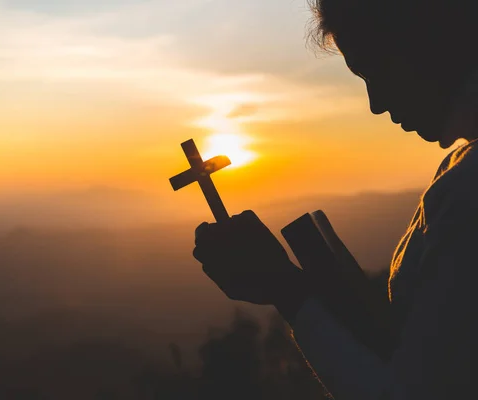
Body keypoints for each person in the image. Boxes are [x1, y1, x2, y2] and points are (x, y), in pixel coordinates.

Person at [192, 1, 478, 399]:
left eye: (375, 71)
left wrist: (285, 290)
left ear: (425, 46)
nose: (376, 103)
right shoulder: (458, 166)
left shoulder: (468, 192)